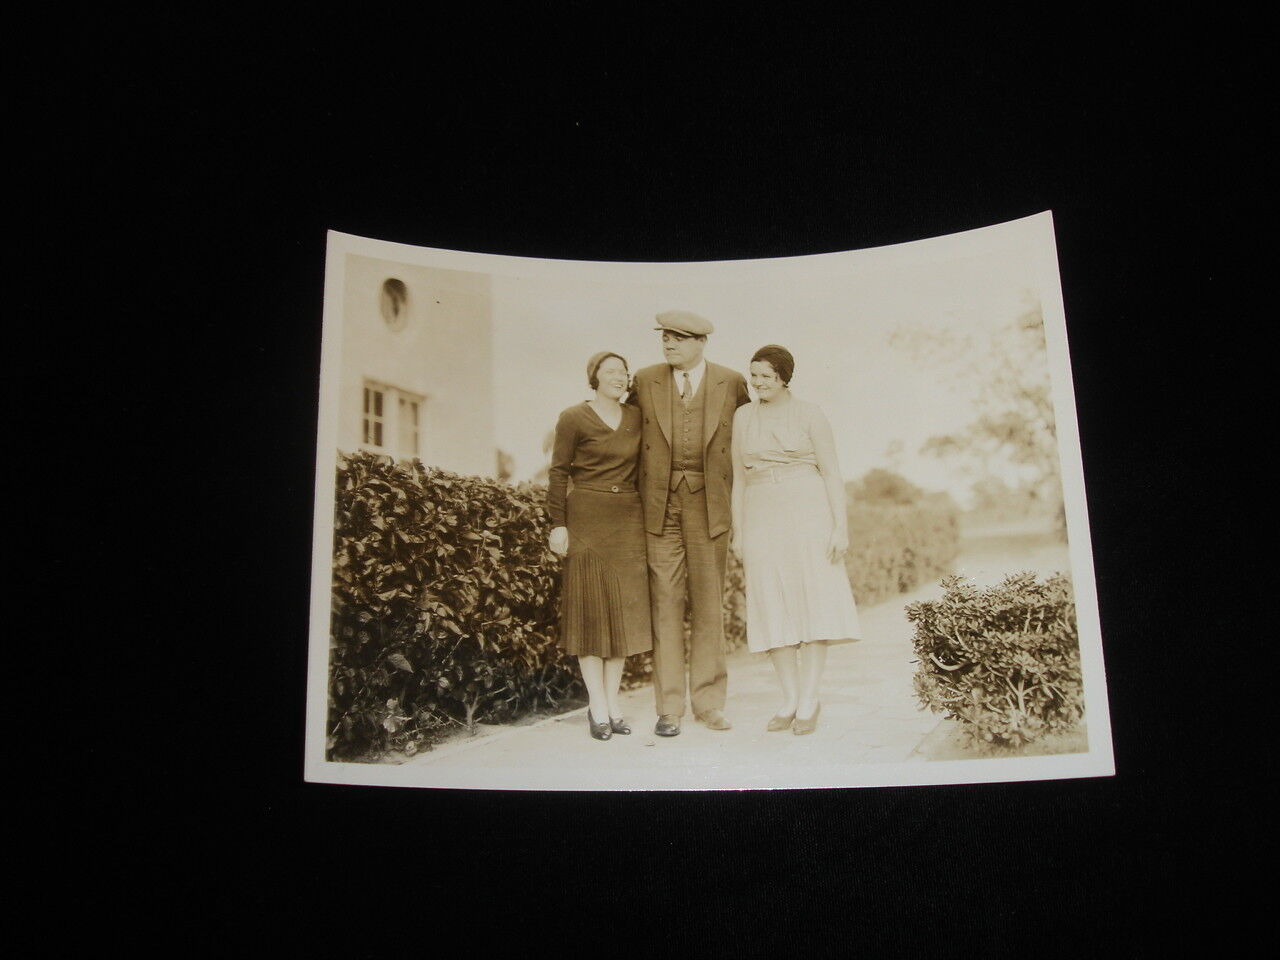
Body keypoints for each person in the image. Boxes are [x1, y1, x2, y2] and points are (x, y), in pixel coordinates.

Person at [629, 311, 750, 737]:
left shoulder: (732, 382)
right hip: (658, 509)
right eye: (664, 337)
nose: (668, 344)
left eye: (678, 338)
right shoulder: (644, 380)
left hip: (710, 508)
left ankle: (710, 703)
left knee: (708, 605)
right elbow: (625, 441)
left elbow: (749, 440)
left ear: (701, 342)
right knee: (664, 604)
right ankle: (669, 708)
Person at [730, 345, 861, 735]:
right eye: (753, 377)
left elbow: (832, 473)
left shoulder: (810, 414)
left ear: (785, 378)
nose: (757, 384)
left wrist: (841, 526)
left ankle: (809, 698)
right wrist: (738, 531)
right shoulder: (742, 416)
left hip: (808, 512)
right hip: (760, 514)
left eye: (766, 377)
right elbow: (738, 478)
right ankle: (788, 698)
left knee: (812, 600)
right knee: (772, 603)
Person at [547, 352, 653, 741]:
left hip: (628, 520)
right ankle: (597, 707)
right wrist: (557, 524)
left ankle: (614, 705)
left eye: (623, 372)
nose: (619, 377)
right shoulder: (574, 417)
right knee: (591, 615)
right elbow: (558, 472)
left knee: (620, 619)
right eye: (610, 371)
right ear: (593, 377)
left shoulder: (637, 417)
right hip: (586, 519)